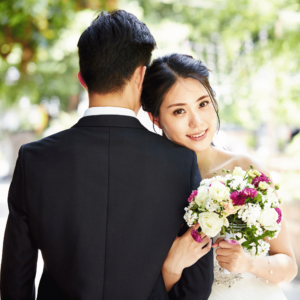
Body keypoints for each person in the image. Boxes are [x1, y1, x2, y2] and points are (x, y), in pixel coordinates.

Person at [0, 11, 213, 300]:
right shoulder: (181, 163)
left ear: (82, 79)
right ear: (141, 75)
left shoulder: (34, 160)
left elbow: (15, 280)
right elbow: (197, 284)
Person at [141, 53, 298, 300]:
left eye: (203, 103)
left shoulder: (248, 170)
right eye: (179, 111)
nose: (197, 122)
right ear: (156, 118)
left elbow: (289, 266)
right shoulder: (149, 185)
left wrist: (249, 264)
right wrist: (172, 265)